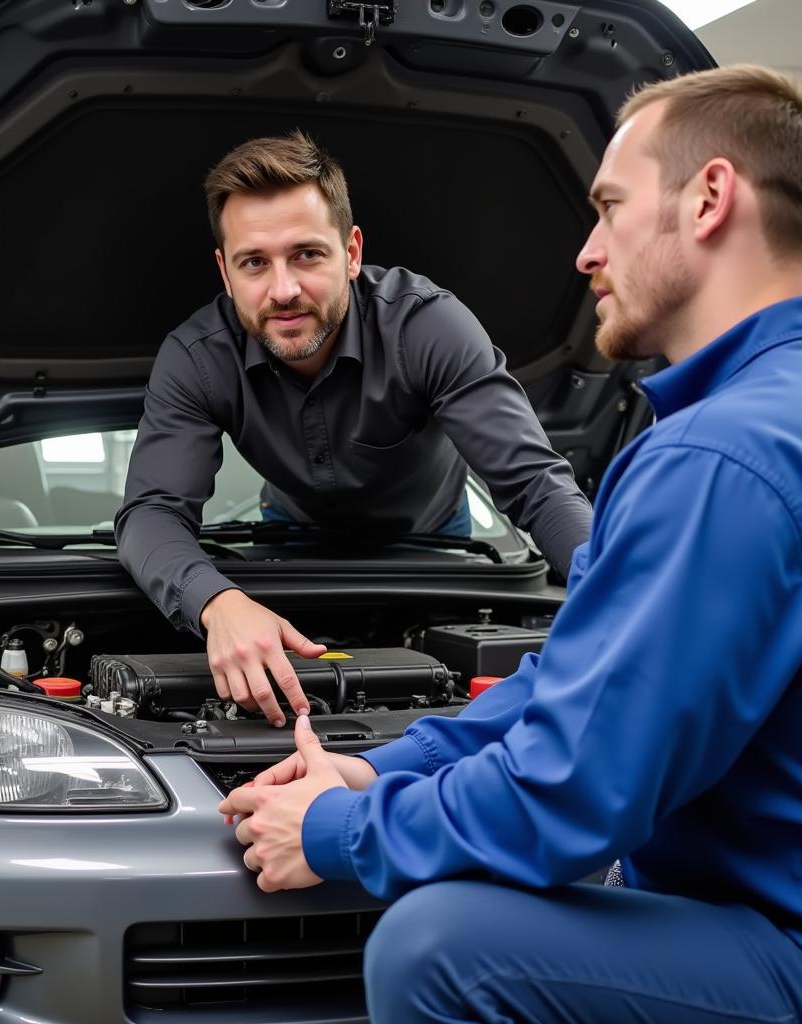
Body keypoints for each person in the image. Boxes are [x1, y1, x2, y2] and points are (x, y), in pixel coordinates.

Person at [218, 64, 802, 1022]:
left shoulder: (719, 456)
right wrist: (384, 765)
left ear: (708, 199)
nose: (586, 252)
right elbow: (577, 681)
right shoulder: (755, 423)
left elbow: (576, 793)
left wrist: (338, 827)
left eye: (610, 208)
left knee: (440, 948)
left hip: (778, 940)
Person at [117, 130, 592, 726]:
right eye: (255, 263)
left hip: (440, 544)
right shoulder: (196, 358)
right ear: (225, 270)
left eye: (307, 254)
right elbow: (151, 512)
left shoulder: (429, 326)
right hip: (288, 543)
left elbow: (535, 484)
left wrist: (617, 594)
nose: (284, 289)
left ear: (353, 251)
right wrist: (218, 601)